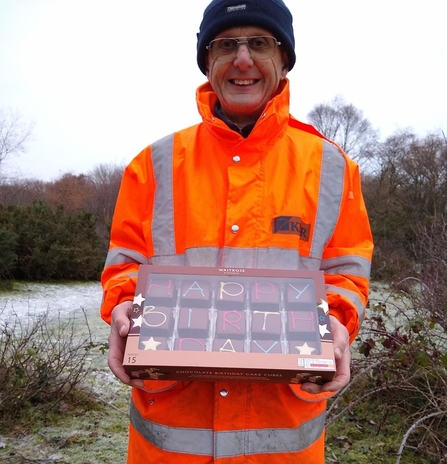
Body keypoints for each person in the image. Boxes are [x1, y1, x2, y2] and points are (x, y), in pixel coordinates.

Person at [100, 0, 373, 462]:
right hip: (168, 442)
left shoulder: (333, 168)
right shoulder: (153, 164)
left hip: (282, 442)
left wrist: (338, 323)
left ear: (283, 59)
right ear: (208, 61)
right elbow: (125, 263)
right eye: (226, 44)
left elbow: (347, 269)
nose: (242, 60)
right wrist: (125, 304)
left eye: (259, 44)